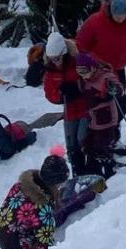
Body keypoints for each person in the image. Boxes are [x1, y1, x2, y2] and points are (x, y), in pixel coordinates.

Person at [0, 149, 71, 249]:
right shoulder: (42, 209)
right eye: (61, 184)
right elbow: (45, 244)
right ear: (55, 184)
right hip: (16, 244)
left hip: (2, 230)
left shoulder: (20, 185)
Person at [40, 32, 94, 175]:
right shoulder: (50, 70)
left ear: (64, 53)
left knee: (83, 138)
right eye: (52, 59)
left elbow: (93, 77)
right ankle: (77, 170)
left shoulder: (78, 59)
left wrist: (79, 87)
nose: (55, 62)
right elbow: (49, 93)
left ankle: (92, 165)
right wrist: (60, 95)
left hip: (86, 106)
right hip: (69, 109)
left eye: (57, 58)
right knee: (71, 144)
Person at [72, 54, 126, 177]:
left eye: (84, 71)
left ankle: (109, 170)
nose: (83, 75)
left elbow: (119, 88)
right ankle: (93, 170)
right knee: (89, 146)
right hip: (93, 120)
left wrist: (113, 89)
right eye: (79, 72)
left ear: (92, 68)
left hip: (106, 119)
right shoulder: (84, 80)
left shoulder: (105, 76)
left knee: (101, 146)